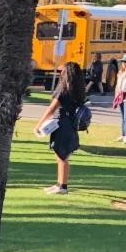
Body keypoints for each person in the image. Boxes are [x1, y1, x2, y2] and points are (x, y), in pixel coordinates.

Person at [33, 60, 86, 195]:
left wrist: (39, 124)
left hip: (62, 124)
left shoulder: (63, 89)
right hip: (70, 124)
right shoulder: (77, 89)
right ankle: (59, 184)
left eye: (63, 71)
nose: (60, 72)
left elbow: (52, 108)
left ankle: (62, 186)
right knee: (62, 155)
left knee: (61, 156)